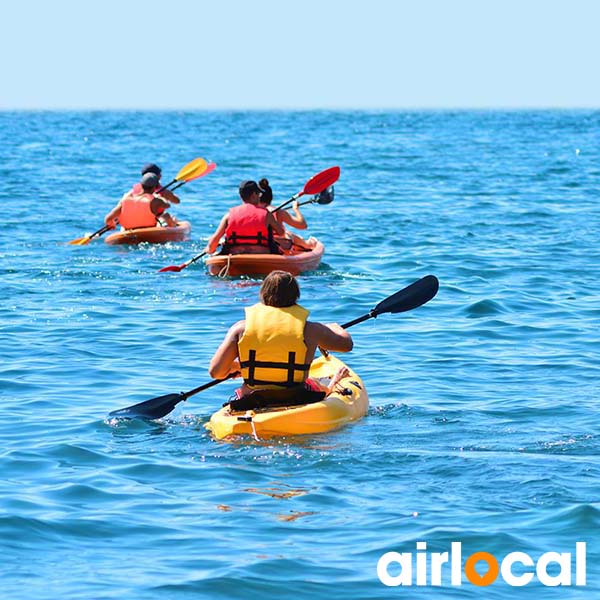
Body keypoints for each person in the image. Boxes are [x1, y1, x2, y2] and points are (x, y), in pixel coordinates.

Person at [209, 270, 352, 401]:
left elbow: (216, 372)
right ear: (296, 296)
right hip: (298, 396)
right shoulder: (311, 329)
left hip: (253, 398)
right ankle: (332, 384)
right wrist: (335, 327)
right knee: (316, 383)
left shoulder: (240, 328)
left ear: (263, 295)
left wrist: (238, 367)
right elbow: (346, 345)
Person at [203, 180, 285, 255]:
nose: (259, 197)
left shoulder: (229, 215)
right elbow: (281, 232)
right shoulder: (266, 214)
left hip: (235, 253)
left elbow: (215, 239)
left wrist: (210, 249)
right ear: (253, 195)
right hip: (262, 253)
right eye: (258, 194)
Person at [104, 172, 179, 230]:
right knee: (166, 215)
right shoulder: (155, 201)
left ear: (141, 185)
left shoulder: (125, 200)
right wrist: (159, 197)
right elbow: (167, 205)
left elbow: (108, 219)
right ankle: (174, 228)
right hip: (148, 232)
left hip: (129, 231)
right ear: (154, 187)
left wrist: (112, 224)